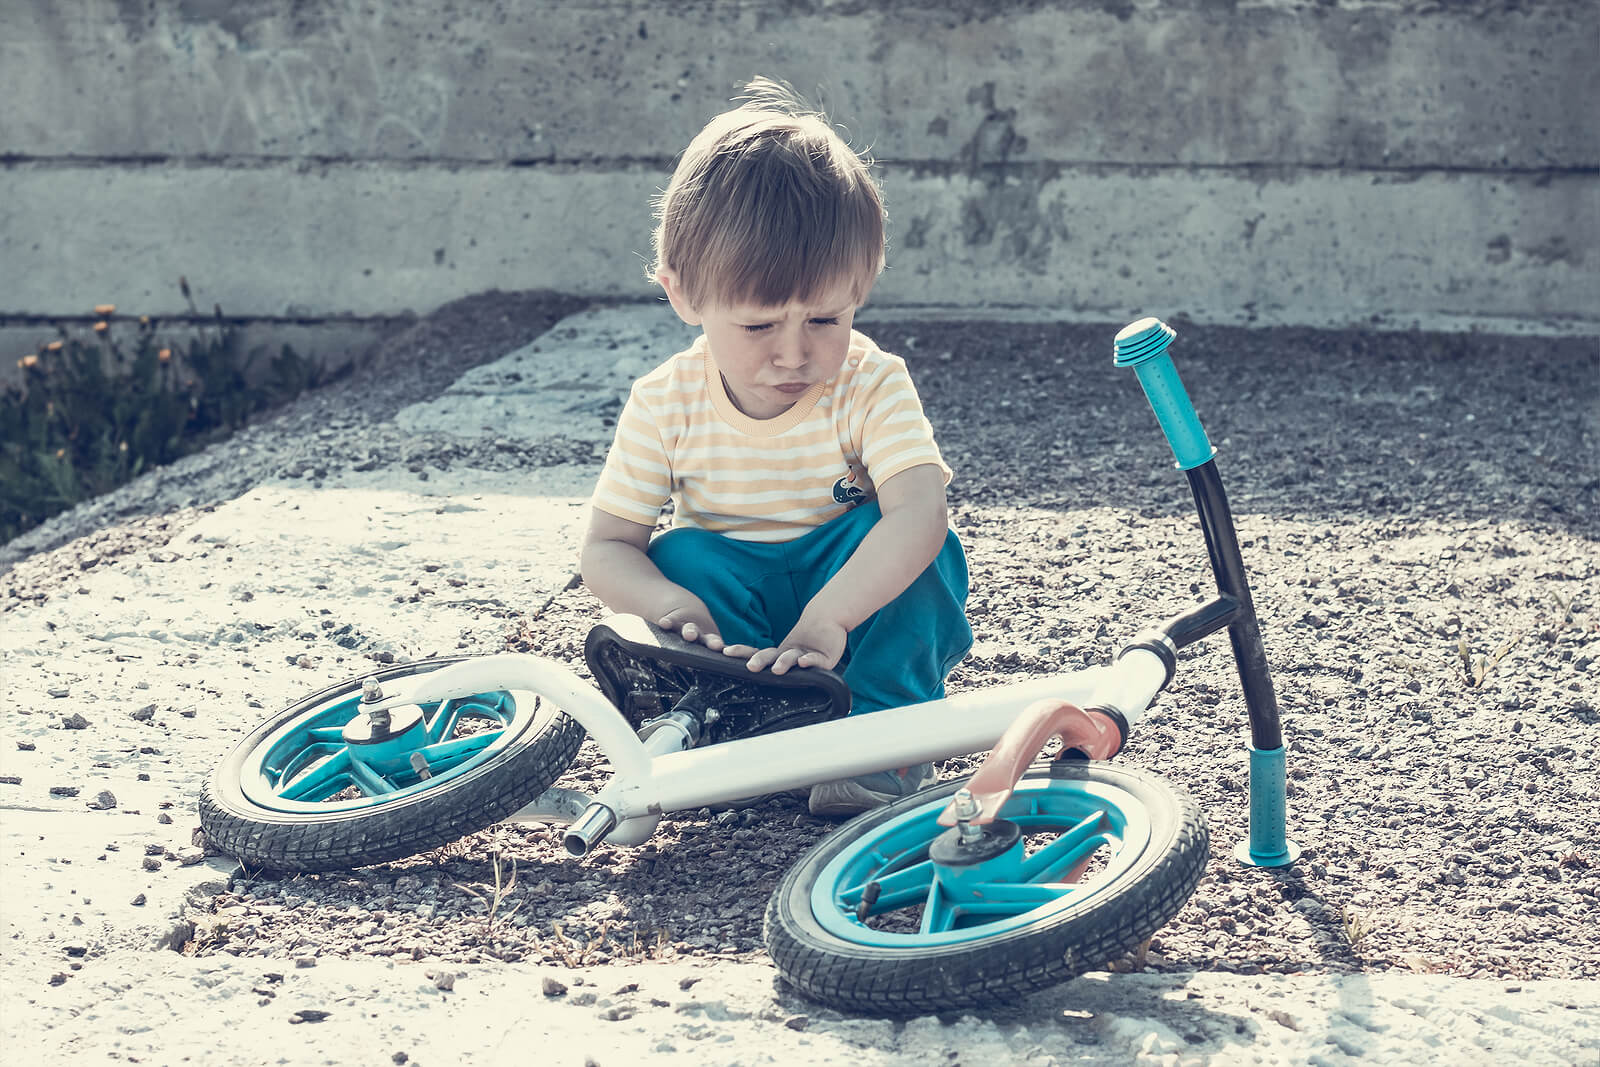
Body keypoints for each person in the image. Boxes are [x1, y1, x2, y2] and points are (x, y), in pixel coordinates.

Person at [579, 78, 972, 816]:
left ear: (864, 286)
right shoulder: (665, 402)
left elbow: (917, 514)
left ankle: (883, 733)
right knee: (681, 554)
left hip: (858, 609)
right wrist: (671, 601)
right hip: (745, 626)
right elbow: (606, 548)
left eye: (826, 319)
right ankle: (735, 708)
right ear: (681, 294)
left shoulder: (871, 382)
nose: (794, 354)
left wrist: (831, 615)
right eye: (759, 327)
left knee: (922, 541)